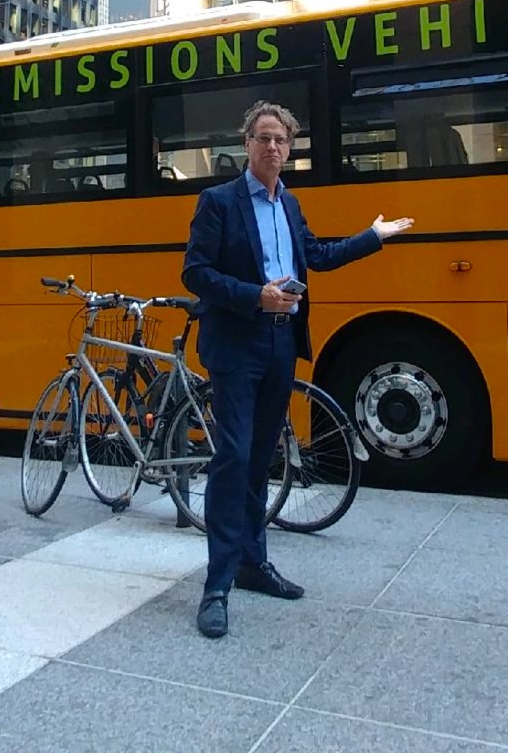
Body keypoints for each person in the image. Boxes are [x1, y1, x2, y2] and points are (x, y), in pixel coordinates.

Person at [181, 101, 413, 639]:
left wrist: (372, 237)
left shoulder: (290, 205)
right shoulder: (217, 201)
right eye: (263, 138)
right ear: (248, 144)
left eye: (281, 140)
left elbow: (317, 256)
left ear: (290, 149)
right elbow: (195, 272)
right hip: (237, 346)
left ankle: (252, 562)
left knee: (262, 458)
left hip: (281, 346)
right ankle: (216, 585)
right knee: (233, 456)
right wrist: (254, 297)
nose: (273, 148)